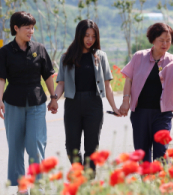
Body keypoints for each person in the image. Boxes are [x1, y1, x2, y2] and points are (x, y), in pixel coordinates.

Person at [0, 11, 56, 195]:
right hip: (13, 102)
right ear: (16, 28)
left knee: (35, 143)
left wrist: (53, 98)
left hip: (36, 102)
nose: (31, 31)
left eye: (33, 27)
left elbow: (48, 75)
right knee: (16, 144)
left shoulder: (40, 49)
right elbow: (0, 78)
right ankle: (21, 185)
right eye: (27, 27)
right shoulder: (4, 52)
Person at [119, 22, 173, 162]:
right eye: (161, 40)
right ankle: (146, 183)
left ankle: (160, 182)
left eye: (168, 40)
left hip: (162, 114)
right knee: (142, 154)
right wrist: (125, 101)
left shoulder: (172, 59)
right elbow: (129, 79)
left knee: (161, 154)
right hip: (140, 113)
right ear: (153, 40)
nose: (165, 44)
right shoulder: (139, 57)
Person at [49, 19, 120, 177]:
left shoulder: (100, 56)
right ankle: (78, 173)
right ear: (79, 35)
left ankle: (88, 179)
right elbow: (61, 84)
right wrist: (54, 98)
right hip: (72, 104)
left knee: (91, 146)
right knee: (71, 145)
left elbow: (107, 86)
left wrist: (114, 107)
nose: (90, 39)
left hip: (94, 104)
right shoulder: (66, 57)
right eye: (86, 35)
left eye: (93, 36)